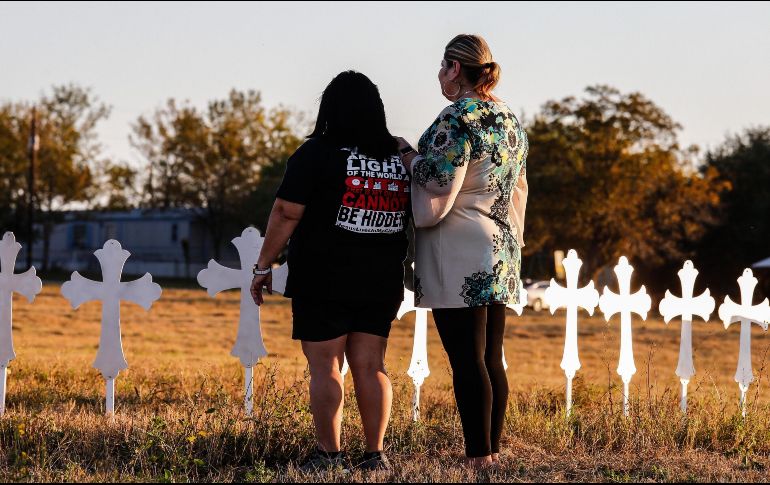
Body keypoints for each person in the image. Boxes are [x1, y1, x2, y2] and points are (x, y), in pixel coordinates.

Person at [250, 71, 412, 473]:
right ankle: (375, 456)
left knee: (325, 367)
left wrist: (263, 265)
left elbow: (286, 212)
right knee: (371, 365)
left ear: (329, 110)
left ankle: (329, 457)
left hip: (323, 277)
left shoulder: (315, 154)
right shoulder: (399, 158)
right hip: (381, 278)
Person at [397, 34, 529, 469]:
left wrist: (406, 153)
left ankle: (478, 457)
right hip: (501, 246)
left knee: (466, 360)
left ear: (456, 68)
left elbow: (437, 179)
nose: (439, 75)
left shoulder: (457, 118)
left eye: (442, 66)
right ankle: (491, 450)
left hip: (459, 250)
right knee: (491, 358)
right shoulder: (509, 118)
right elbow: (518, 187)